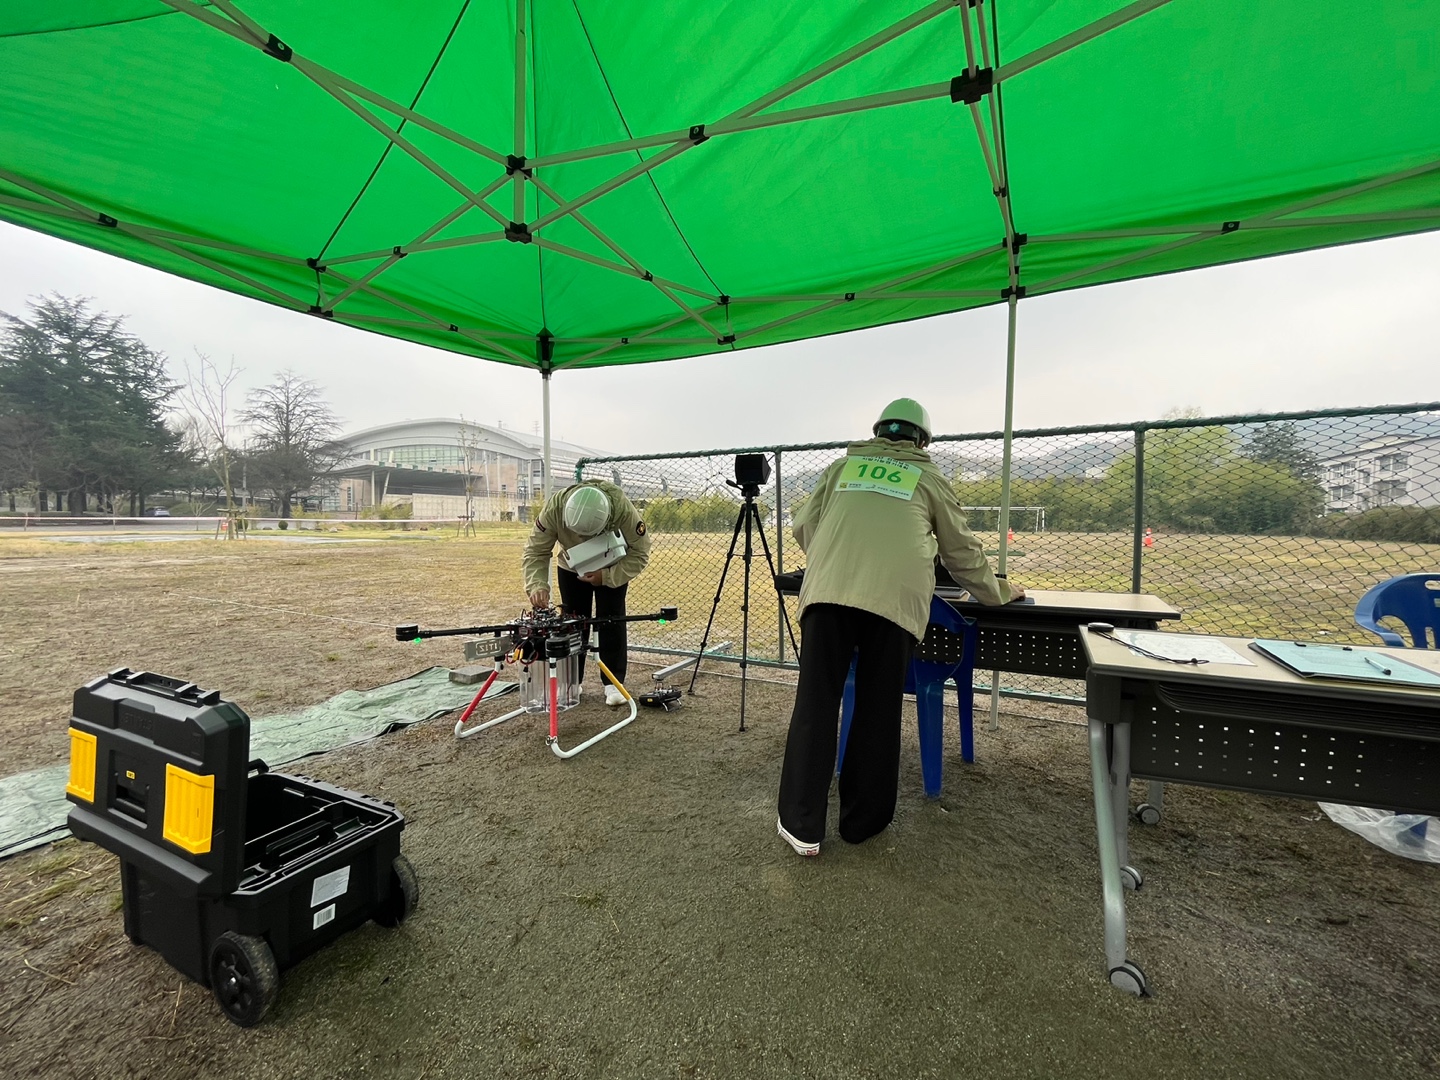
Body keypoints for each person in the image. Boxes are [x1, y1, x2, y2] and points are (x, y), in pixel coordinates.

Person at [776, 398, 1025, 856]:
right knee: (878, 707)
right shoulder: (929, 477)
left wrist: (836, 557)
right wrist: (997, 592)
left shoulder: (839, 468)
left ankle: (800, 825)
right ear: (923, 440)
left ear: (876, 433)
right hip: (892, 603)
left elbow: (805, 526)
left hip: (827, 595)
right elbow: (960, 552)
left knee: (815, 701)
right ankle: (861, 823)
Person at [523, 480, 652, 706]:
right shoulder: (554, 510)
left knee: (611, 619)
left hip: (612, 565)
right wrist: (537, 585)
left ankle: (614, 683)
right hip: (571, 567)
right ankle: (572, 682)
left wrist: (607, 577)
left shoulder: (622, 509)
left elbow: (640, 553)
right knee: (572, 623)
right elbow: (536, 550)